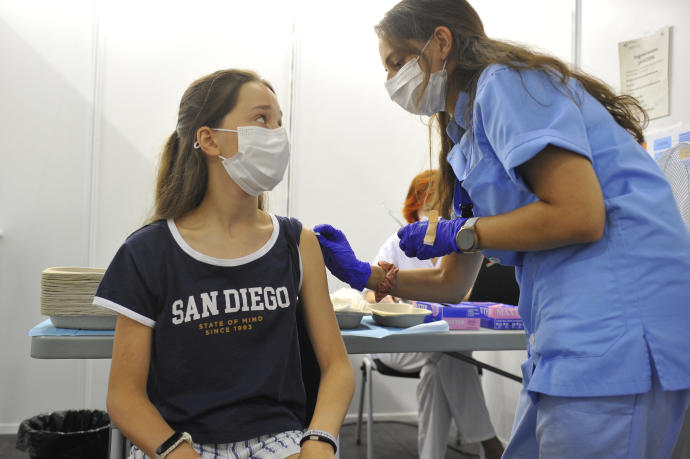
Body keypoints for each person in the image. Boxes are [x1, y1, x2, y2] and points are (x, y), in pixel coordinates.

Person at [314, 1, 690, 457]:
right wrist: (366, 276)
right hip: (566, 331)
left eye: (397, 62)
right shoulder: (465, 136)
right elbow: (453, 283)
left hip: (616, 325)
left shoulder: (504, 84)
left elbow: (579, 215)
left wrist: (465, 231)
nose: (391, 79)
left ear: (441, 42)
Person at [94, 69, 354, 459]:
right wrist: (179, 453)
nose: (276, 135)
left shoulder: (296, 242)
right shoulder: (147, 253)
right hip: (176, 444)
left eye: (279, 123)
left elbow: (337, 367)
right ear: (209, 139)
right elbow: (125, 397)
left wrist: (319, 440)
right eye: (261, 119)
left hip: (278, 441)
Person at [363, 169, 504, 459]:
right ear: (415, 207)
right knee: (449, 353)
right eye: (430, 205)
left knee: (438, 363)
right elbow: (369, 293)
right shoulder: (400, 242)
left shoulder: (458, 245)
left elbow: (460, 296)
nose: (437, 212)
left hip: (437, 342)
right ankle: (490, 443)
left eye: (442, 205)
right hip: (397, 342)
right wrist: (389, 300)